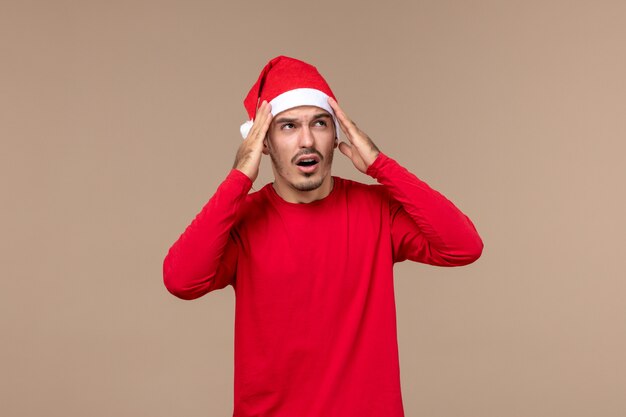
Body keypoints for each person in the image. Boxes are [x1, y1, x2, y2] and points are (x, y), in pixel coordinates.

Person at [163, 55, 484, 417]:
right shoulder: (244, 220)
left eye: (319, 124)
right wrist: (239, 177)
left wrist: (382, 166)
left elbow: (463, 247)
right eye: (288, 127)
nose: (307, 140)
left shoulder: (377, 210)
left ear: (336, 136)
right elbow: (181, 280)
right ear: (263, 143)